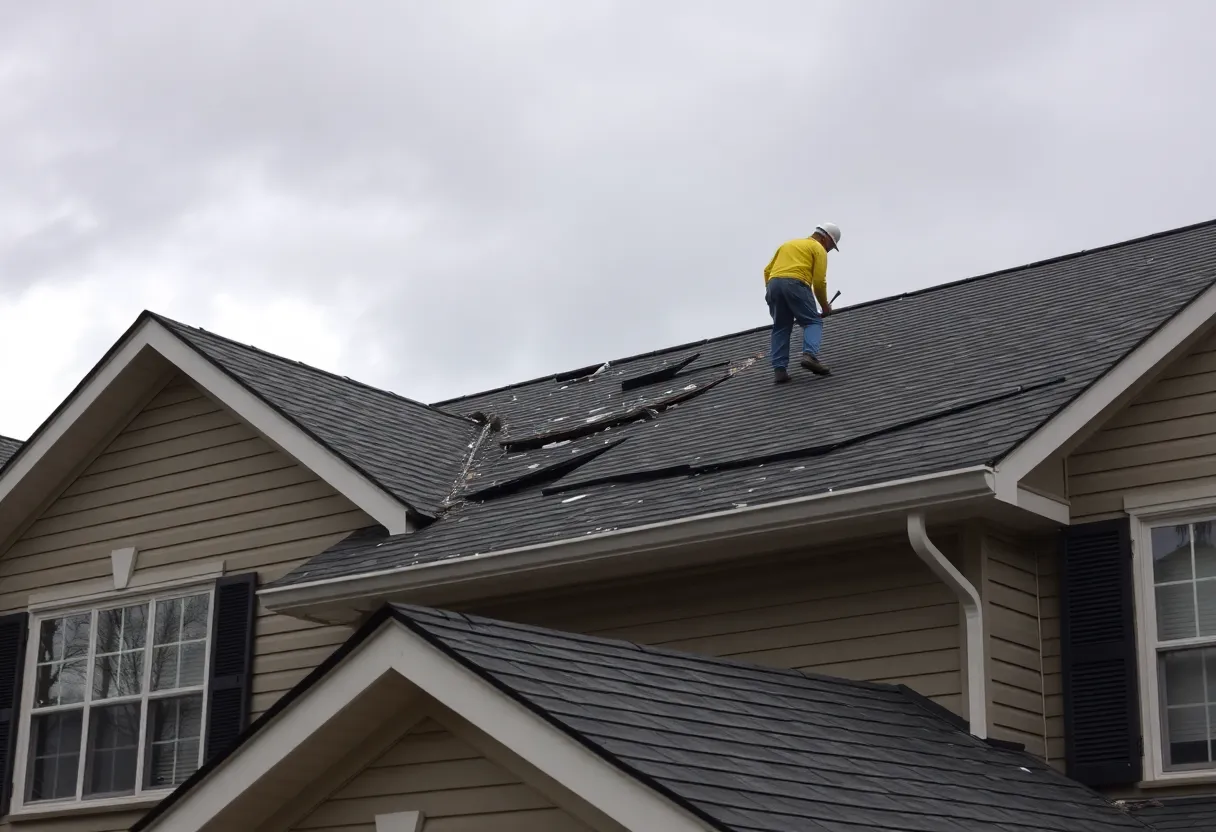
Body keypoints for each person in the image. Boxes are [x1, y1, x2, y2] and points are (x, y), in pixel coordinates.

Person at [762, 222, 841, 383]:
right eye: (831, 247)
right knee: (813, 322)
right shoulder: (818, 248)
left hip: (773, 284)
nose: (828, 251)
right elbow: (819, 282)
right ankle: (809, 356)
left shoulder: (788, 244)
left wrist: (773, 290)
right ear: (825, 239)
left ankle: (780, 370)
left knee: (781, 327)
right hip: (796, 283)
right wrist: (825, 306)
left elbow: (767, 270)